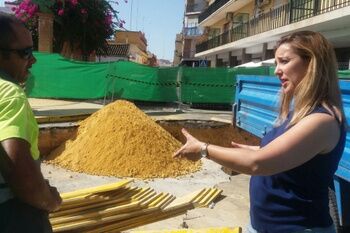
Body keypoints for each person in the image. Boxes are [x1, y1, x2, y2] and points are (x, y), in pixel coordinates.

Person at [174, 31, 346, 233]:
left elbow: (259, 164)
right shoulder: (299, 113)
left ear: (312, 64)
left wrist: (204, 149)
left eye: (284, 61)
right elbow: (290, 157)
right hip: (263, 226)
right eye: (276, 62)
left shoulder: (321, 121)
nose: (277, 70)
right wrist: (256, 148)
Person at [0, 13, 62, 232]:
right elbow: (17, 167)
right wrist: (50, 200)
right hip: (13, 215)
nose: (33, 60)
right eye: (25, 53)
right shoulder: (8, 93)